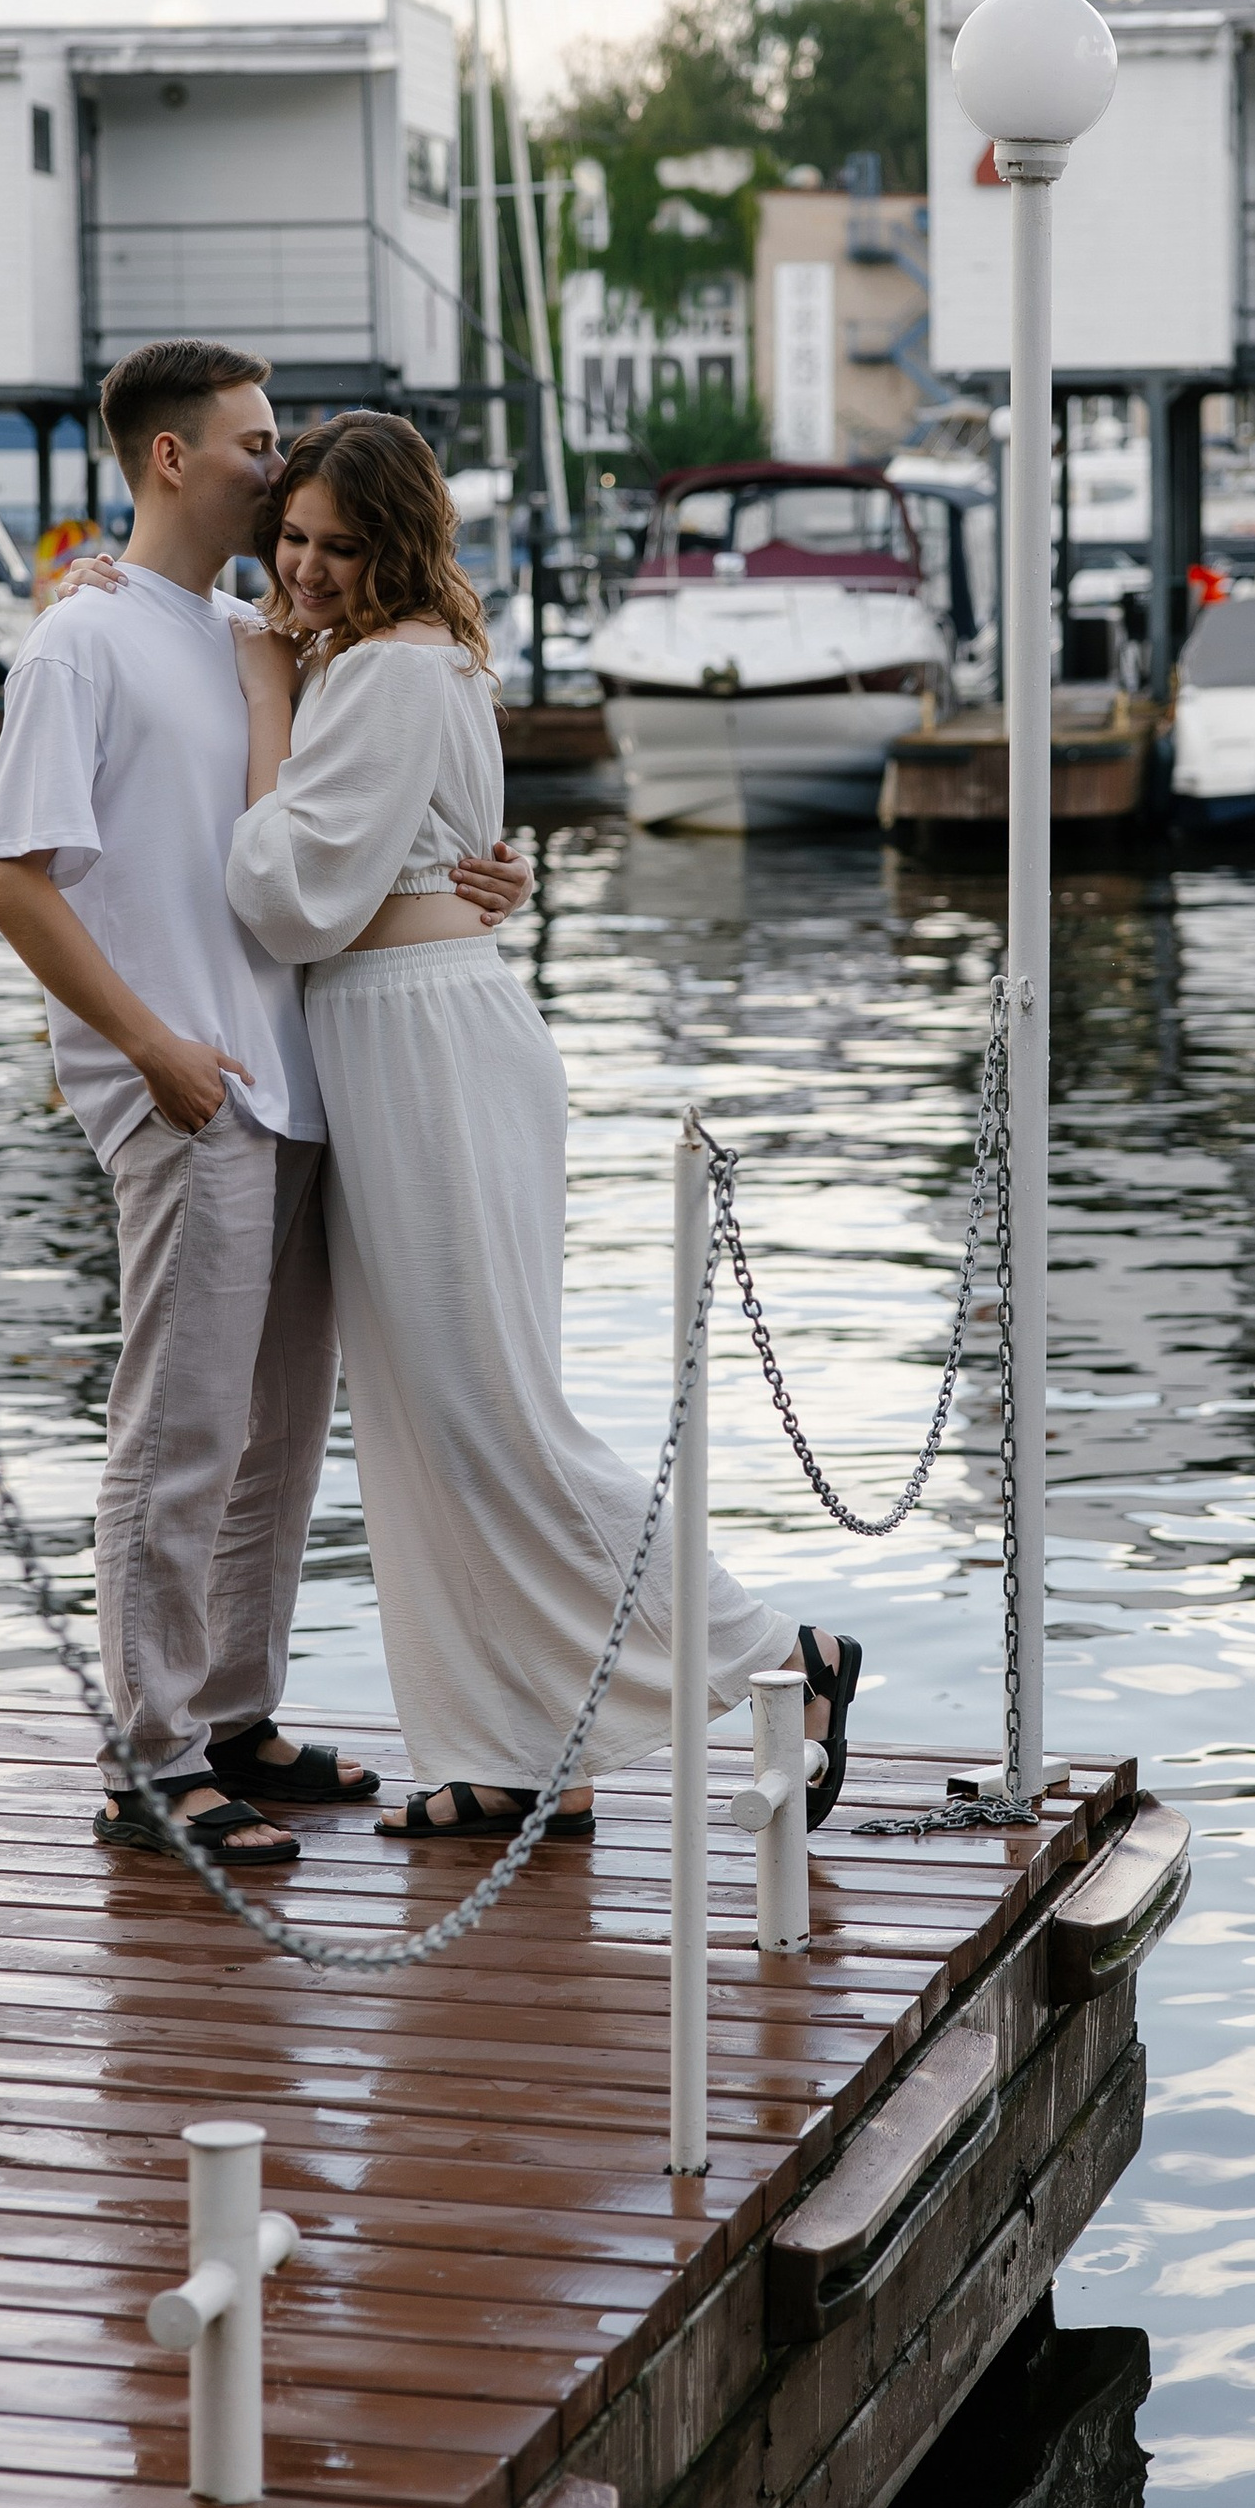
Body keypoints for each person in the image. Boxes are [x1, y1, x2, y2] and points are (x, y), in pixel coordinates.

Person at [214, 411, 863, 1841]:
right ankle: (511, 1749)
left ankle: (779, 1658)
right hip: (409, 1027)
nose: (307, 568)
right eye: (295, 540)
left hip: (420, 1038)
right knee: (424, 1424)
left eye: (338, 544)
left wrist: (266, 699)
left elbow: (282, 889)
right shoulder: (386, 659)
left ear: (395, 545)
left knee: (487, 1414)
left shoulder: (380, 674)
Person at [0, 341, 528, 1870]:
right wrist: (148, 1047)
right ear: (169, 459)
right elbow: (8, 880)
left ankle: (231, 1716)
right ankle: (148, 1760)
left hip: (297, 1076)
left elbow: (360, 813)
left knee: (278, 1432)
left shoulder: (246, 632)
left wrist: (481, 877)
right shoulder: (81, 644)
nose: (280, 473)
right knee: (184, 1426)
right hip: (189, 1082)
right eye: (255, 444)